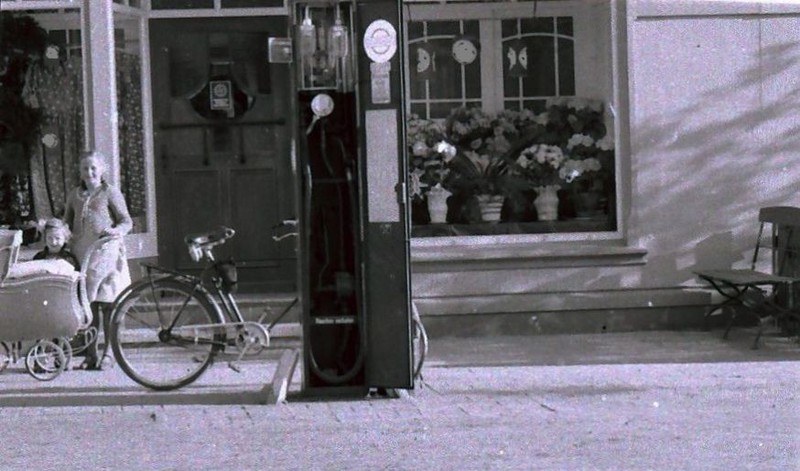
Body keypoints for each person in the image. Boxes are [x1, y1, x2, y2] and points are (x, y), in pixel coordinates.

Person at [63, 150, 133, 370]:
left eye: (94, 168)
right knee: (88, 306)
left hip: (107, 256)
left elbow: (126, 221)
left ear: (102, 170)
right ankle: (91, 353)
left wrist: (116, 231)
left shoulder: (110, 192)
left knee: (108, 304)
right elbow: (67, 222)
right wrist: (60, 233)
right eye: (85, 168)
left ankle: (110, 353)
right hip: (83, 255)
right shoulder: (75, 195)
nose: (90, 172)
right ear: (80, 171)